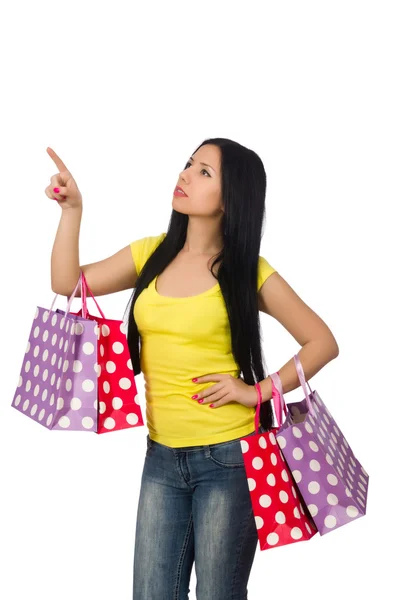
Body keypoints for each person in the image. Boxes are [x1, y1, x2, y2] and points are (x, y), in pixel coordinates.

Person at [47, 138, 339, 599]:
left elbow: (322, 341)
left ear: (230, 199)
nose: (185, 174)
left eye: (204, 172)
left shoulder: (247, 272)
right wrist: (72, 212)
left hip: (230, 458)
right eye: (188, 164)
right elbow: (68, 284)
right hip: (161, 457)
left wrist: (256, 392)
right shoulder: (150, 254)